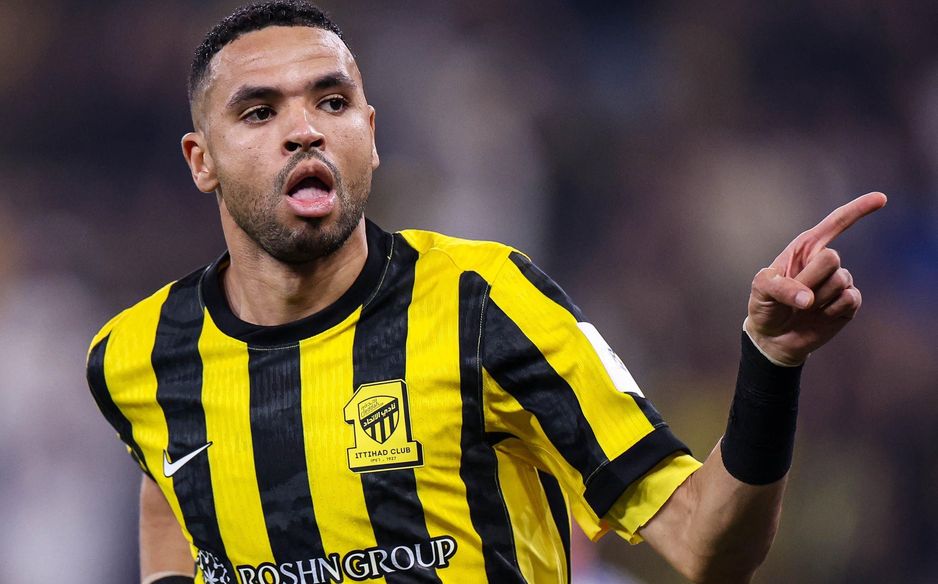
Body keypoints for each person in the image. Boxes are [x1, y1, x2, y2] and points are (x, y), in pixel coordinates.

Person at [85, 2, 887, 583]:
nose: (305, 129)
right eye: (259, 111)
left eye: (332, 101)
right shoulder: (136, 357)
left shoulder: (488, 304)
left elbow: (711, 547)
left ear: (370, 131)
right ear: (201, 160)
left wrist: (771, 363)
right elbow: (168, 490)